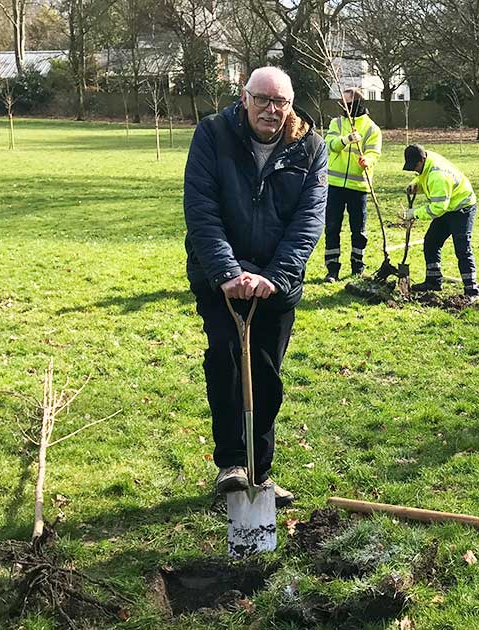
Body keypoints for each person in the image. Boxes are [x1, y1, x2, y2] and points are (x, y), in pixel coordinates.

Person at [183, 66, 327, 505]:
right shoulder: (213, 135)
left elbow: (308, 220)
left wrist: (275, 278)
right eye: (262, 99)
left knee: (265, 374)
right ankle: (231, 464)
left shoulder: (309, 148)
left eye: (279, 101)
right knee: (225, 364)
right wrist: (228, 273)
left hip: (275, 283)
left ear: (290, 103)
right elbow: (202, 208)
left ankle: (260, 473)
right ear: (243, 98)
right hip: (219, 281)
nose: (271, 110)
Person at [401, 144, 479, 300]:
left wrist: (414, 213)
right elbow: (423, 177)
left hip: (462, 208)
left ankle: (472, 291)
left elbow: (438, 208)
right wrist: (416, 184)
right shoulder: (427, 161)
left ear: (422, 159)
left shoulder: (438, 175)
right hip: (447, 206)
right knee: (431, 241)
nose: (414, 170)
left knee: (462, 248)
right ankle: (433, 281)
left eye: (415, 166)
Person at [323, 88, 382, 281]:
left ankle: (358, 266)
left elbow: (374, 153)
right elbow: (329, 145)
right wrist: (346, 139)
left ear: (357, 105)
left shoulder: (372, 129)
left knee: (359, 230)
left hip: (359, 187)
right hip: (335, 185)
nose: (342, 107)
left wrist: (368, 161)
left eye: (346, 104)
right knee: (332, 227)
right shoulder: (337, 123)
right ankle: (332, 269)